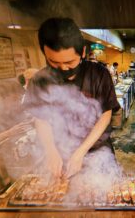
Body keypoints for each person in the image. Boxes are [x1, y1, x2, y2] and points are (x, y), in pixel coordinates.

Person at [24, 17, 120, 178]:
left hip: (97, 151)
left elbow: (105, 114)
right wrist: (51, 150)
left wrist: (81, 151)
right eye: (53, 62)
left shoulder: (99, 74)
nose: (63, 68)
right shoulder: (39, 81)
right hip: (61, 152)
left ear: (82, 52)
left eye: (69, 62)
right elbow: (41, 119)